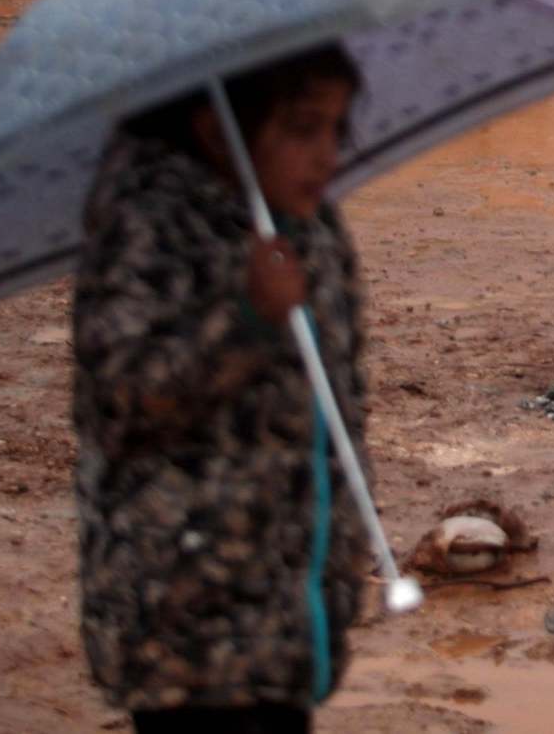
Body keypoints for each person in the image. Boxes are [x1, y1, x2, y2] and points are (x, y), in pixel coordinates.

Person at [74, 46, 372, 734]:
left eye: (337, 127)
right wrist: (245, 320)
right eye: (302, 128)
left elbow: (341, 405)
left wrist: (346, 550)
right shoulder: (146, 226)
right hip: (185, 622)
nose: (327, 153)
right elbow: (121, 399)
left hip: (290, 606)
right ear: (217, 128)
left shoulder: (313, 230)